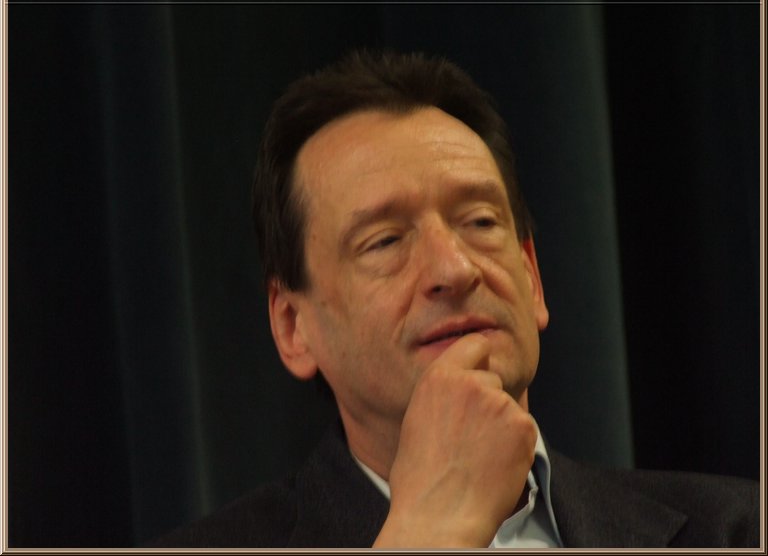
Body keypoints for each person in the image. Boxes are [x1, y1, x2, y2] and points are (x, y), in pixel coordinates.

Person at [149, 50, 759, 548]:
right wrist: (429, 534)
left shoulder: (737, 530)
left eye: (481, 223)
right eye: (385, 241)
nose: (455, 268)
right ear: (292, 326)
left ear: (532, 279)